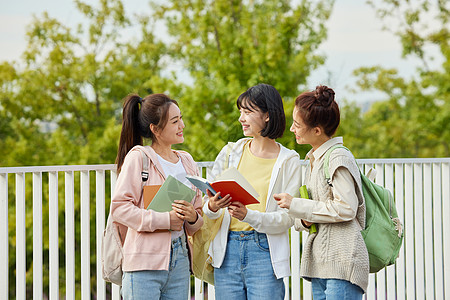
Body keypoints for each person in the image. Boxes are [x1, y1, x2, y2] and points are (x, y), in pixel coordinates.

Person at [202, 83, 302, 300]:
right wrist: (212, 205)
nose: (241, 118)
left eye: (248, 112)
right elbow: (206, 203)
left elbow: (289, 218)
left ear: (267, 115)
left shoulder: (289, 161)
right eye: (241, 112)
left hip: (264, 251)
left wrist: (249, 215)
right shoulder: (230, 152)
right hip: (226, 250)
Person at [274, 85, 369, 299]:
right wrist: (304, 220)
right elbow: (314, 213)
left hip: (342, 263)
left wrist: (295, 205)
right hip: (322, 265)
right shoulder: (314, 159)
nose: (292, 129)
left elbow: (346, 208)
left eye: (297, 125)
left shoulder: (337, 158)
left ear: (317, 130)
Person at [110, 93, 203, 300]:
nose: (183, 125)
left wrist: (193, 217)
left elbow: (198, 216)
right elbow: (119, 209)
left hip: (180, 259)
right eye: (175, 121)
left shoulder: (187, 161)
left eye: (181, 119)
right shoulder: (139, 157)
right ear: (155, 129)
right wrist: (164, 219)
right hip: (144, 261)